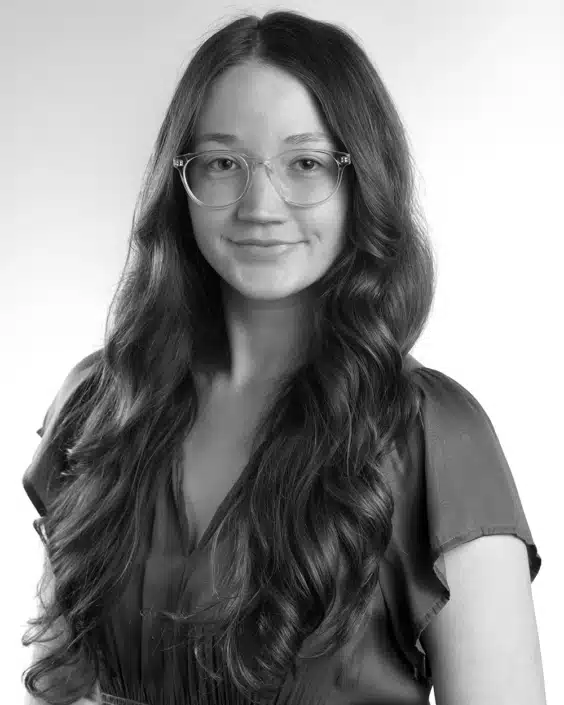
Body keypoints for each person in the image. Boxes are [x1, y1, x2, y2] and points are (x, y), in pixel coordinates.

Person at [22, 9, 545, 705]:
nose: (261, 206)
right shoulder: (97, 403)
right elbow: (58, 685)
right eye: (222, 164)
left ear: (364, 181)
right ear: (179, 185)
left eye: (305, 163)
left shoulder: (436, 435)